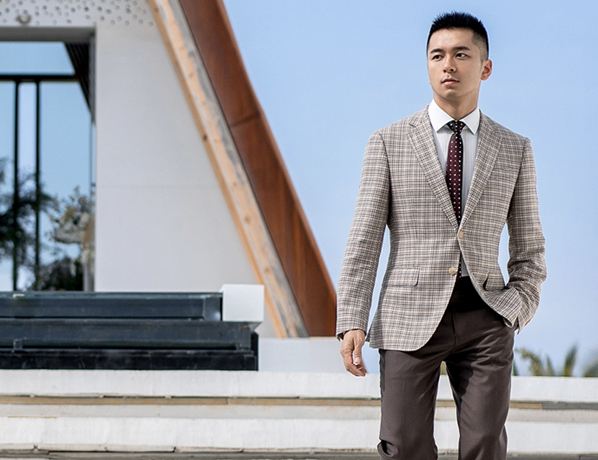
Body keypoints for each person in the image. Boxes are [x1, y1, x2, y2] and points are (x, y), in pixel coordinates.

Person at [336, 11, 547, 460]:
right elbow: (364, 240)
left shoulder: (515, 148)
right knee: (404, 445)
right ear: (427, 65)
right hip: (407, 313)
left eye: (461, 54)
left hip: (486, 314)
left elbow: (530, 248)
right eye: (437, 55)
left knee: (485, 445)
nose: (448, 64)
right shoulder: (388, 142)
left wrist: (516, 309)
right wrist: (352, 318)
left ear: (485, 67)